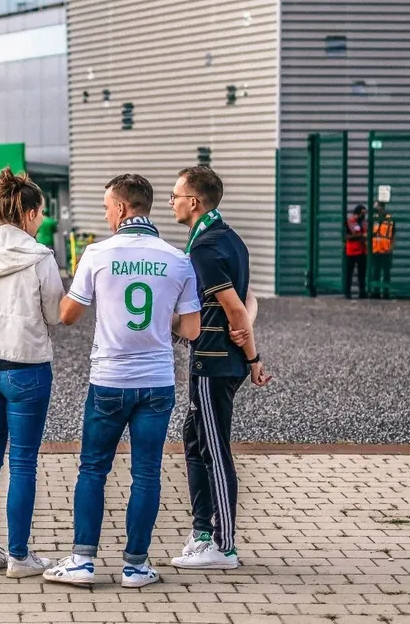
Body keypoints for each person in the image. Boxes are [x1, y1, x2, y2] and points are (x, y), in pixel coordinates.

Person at [43, 173, 201, 589]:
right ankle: (136, 566)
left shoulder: (96, 254)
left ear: (123, 208)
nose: (106, 214)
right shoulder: (177, 259)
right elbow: (191, 330)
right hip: (157, 381)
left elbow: (68, 315)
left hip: (110, 378)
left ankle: (82, 561)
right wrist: (156, 317)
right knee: (147, 473)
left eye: (107, 207)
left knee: (93, 469)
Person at [167, 165, 271, 571]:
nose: (172, 202)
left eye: (176, 196)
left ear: (193, 202)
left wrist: (254, 358)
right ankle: (202, 532)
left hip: (212, 364)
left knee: (214, 449)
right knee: (194, 440)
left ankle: (224, 547)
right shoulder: (230, 239)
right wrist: (251, 357)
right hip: (218, 361)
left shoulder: (205, 247)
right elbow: (250, 302)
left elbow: (236, 307)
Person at [0, 167, 65, 579]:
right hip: (26, 370)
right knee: (22, 463)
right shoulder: (41, 258)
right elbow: (56, 316)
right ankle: (20, 557)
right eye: (40, 212)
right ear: (27, 213)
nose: (41, 219)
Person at [369, 201, 395, 299]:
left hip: (386, 250)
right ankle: (375, 292)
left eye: (378, 206)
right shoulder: (374, 218)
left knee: (386, 273)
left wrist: (391, 247)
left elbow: (393, 234)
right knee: (375, 272)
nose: (376, 209)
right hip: (375, 250)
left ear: (382, 207)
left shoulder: (389, 219)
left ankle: (385, 292)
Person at [344, 204, 368, 299]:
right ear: (358, 213)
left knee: (362, 273)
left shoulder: (363, 222)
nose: (364, 215)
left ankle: (362, 292)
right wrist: (361, 236)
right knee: (349, 272)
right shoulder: (349, 221)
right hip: (352, 251)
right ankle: (347, 292)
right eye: (363, 213)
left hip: (362, 251)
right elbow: (347, 236)